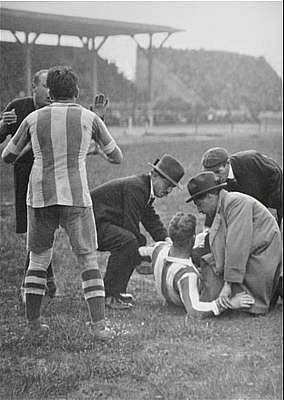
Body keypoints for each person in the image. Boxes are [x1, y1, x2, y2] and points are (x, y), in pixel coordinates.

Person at [2, 66, 123, 340]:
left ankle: (33, 325)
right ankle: (99, 327)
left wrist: (33, 148)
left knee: (38, 259)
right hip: (76, 197)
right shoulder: (90, 118)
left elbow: (7, 156)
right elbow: (117, 157)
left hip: (40, 195)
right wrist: (89, 147)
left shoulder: (33, 118)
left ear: (50, 92)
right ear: (77, 91)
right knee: (87, 258)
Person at [90, 153, 185, 310]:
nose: (168, 190)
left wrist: (166, 240)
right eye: (167, 184)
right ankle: (109, 295)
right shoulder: (137, 187)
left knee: (129, 241)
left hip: (102, 222)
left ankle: (117, 292)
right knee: (128, 241)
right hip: (91, 225)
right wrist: (142, 256)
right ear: (154, 175)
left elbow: (150, 219)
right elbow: (130, 225)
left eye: (172, 187)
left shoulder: (145, 188)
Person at [186, 171, 282, 315]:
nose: (199, 210)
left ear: (210, 196)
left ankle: (233, 302)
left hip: (261, 259)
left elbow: (237, 246)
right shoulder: (224, 204)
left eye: (199, 203)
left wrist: (228, 284)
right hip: (251, 257)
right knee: (208, 269)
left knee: (218, 291)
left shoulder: (235, 203)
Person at [0, 70, 57, 299]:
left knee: (45, 226)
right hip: (25, 174)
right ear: (34, 87)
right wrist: (4, 125)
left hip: (51, 173)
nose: (50, 92)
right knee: (35, 229)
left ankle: (35, 282)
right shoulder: (18, 106)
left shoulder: (57, 110)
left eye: (53, 86)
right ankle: (42, 280)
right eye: (45, 85)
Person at [138, 212, 255, 317]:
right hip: (180, 298)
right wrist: (229, 304)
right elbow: (194, 310)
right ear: (192, 239)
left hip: (168, 287)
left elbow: (141, 251)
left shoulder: (158, 248)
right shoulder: (187, 274)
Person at [201, 147, 283, 227]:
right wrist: (207, 228)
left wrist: (273, 206)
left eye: (218, 172)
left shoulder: (250, 160)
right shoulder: (213, 180)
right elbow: (214, 203)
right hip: (250, 210)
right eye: (211, 174)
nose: (216, 178)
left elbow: (276, 173)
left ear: (228, 163)